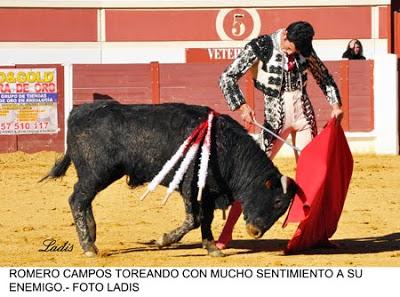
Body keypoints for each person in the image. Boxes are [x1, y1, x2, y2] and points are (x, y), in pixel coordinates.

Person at [216, 21, 344, 249]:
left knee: (313, 176)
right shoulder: (261, 46)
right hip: (274, 118)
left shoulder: (304, 48)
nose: (291, 55)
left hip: (304, 115)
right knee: (251, 176)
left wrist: (336, 104)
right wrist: (242, 106)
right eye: (288, 49)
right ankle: (227, 233)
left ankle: (314, 233)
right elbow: (227, 77)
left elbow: (324, 78)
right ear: (284, 36)